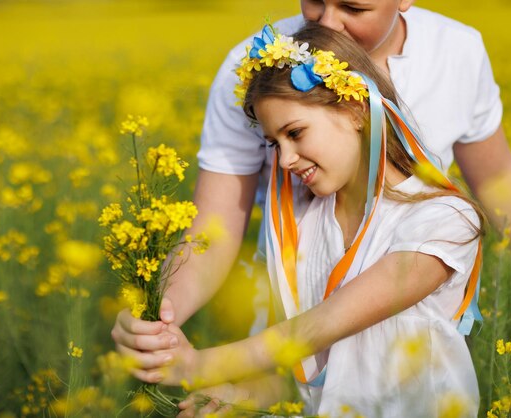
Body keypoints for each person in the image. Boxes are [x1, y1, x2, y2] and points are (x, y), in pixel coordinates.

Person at [111, 0, 511, 382]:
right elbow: (214, 229)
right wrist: (160, 317)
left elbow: (496, 182)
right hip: (286, 354)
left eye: (353, 6)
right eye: (313, 0)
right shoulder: (257, 66)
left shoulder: (457, 55)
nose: (328, 22)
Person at [134, 23, 487, 417]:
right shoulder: (302, 222)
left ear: (354, 110)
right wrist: (238, 397)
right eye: (274, 143)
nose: (284, 160)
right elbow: (299, 372)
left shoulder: (443, 219)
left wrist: (202, 365)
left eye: (296, 133)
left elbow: (320, 327)